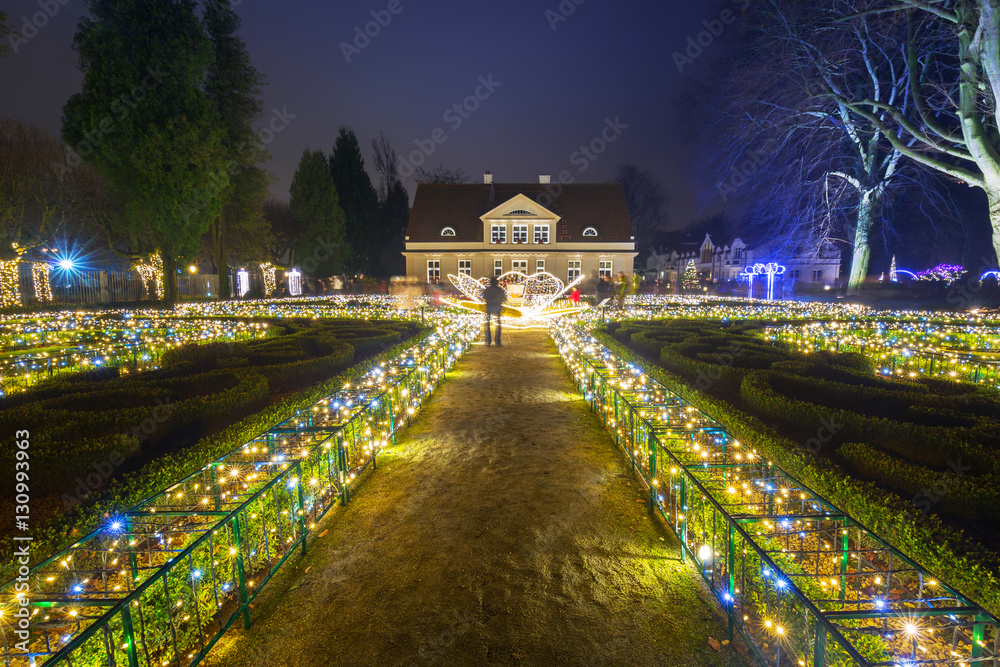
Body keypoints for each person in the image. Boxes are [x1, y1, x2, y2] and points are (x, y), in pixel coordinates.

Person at [483, 277, 507, 347]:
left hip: (489, 306)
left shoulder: (487, 290)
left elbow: (484, 297)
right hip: (497, 307)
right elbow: (504, 298)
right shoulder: (500, 290)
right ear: (497, 283)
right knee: (498, 324)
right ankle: (497, 341)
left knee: (487, 324)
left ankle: (488, 341)